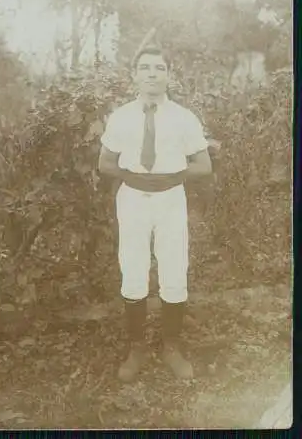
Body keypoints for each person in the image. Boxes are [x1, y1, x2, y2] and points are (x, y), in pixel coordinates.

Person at [98, 45, 212, 382]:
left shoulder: (183, 117)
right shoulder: (121, 116)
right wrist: (132, 177)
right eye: (145, 67)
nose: (152, 74)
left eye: (159, 68)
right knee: (133, 270)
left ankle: (171, 347)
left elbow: (203, 165)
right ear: (134, 75)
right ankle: (136, 347)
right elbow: (104, 163)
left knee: (174, 270)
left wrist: (171, 177)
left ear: (168, 76)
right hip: (132, 198)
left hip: (170, 200)